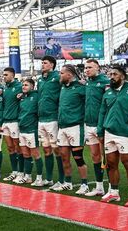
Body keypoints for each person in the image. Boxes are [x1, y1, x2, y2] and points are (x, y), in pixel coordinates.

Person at [98, 66, 128, 207]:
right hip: (109, 132)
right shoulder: (107, 93)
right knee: (111, 164)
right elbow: (102, 113)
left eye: (115, 74)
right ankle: (114, 193)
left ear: (122, 76)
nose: (111, 76)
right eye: (110, 74)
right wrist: (100, 131)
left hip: (124, 133)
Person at [52, 64, 88, 192]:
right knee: (64, 156)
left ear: (70, 75)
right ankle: (68, 182)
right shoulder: (63, 87)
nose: (59, 75)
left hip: (75, 126)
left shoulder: (81, 88)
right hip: (62, 127)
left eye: (62, 73)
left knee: (78, 157)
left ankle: (85, 185)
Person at [80, 59, 109, 196]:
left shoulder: (105, 81)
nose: (87, 70)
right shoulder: (87, 83)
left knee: (106, 157)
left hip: (101, 124)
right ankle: (99, 187)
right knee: (95, 156)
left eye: (90, 67)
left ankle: (112, 188)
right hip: (88, 124)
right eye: (85, 68)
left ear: (98, 68)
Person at [35, 56, 62, 187]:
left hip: (53, 118)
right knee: (46, 149)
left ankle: (62, 180)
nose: (42, 65)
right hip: (41, 119)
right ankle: (50, 178)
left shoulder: (57, 77)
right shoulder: (40, 80)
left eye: (45, 63)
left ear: (52, 65)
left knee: (57, 149)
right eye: (42, 63)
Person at [15, 77, 42, 184]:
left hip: (32, 129)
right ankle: (28, 176)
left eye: (26, 85)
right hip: (22, 129)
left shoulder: (36, 96)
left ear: (32, 86)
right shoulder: (22, 97)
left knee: (36, 154)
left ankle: (39, 178)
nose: (23, 87)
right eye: (23, 85)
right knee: (25, 154)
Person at [0, 67, 23, 181]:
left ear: (12, 75)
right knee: (10, 148)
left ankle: (21, 172)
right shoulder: (4, 88)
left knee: (18, 148)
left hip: (15, 121)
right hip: (6, 122)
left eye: (6, 75)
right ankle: (14, 171)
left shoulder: (19, 87)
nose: (4, 77)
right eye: (3, 75)